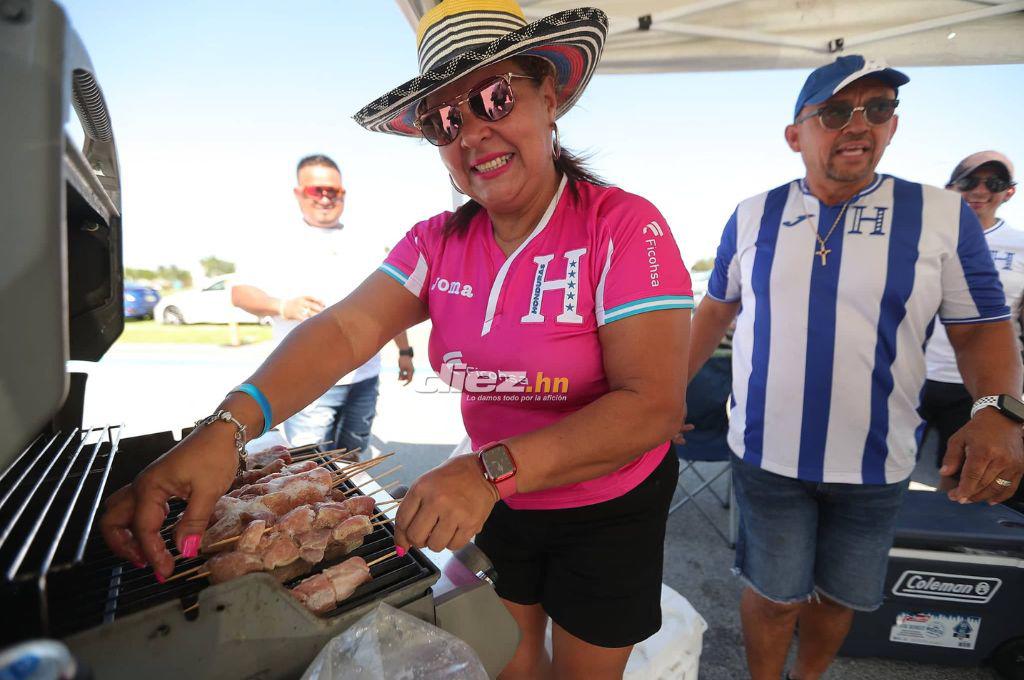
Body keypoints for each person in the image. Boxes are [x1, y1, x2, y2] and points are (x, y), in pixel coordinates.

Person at [100, 3, 694, 678]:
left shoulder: (623, 226)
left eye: (494, 97)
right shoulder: (435, 243)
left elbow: (651, 406)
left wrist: (488, 469)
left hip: (603, 504)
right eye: (445, 118)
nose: (471, 131)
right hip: (501, 497)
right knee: (509, 655)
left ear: (549, 97)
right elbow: (346, 328)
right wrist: (226, 426)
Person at [686, 55, 1024, 680]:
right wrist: (665, 394)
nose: (859, 124)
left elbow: (979, 328)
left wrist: (998, 413)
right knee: (772, 592)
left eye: (879, 109)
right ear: (797, 135)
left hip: (878, 460)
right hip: (766, 456)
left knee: (842, 596)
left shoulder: (941, 217)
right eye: (836, 112)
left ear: (894, 126)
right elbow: (713, 312)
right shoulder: (752, 214)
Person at [230, 154, 415, 457]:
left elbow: (392, 301)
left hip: (363, 378)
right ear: (299, 193)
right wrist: (282, 306)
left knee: (352, 458)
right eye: (317, 190)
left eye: (334, 191)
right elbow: (239, 293)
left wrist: (405, 352)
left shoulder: (366, 241)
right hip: (308, 379)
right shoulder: (273, 239)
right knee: (308, 463)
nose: (326, 198)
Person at [921, 152, 1022, 468]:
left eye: (993, 182)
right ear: (949, 189)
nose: (979, 191)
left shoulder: (1019, 246)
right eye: (968, 182)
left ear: (1009, 191)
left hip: (982, 387)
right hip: (913, 379)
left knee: (960, 479)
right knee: (887, 474)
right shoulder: (920, 241)